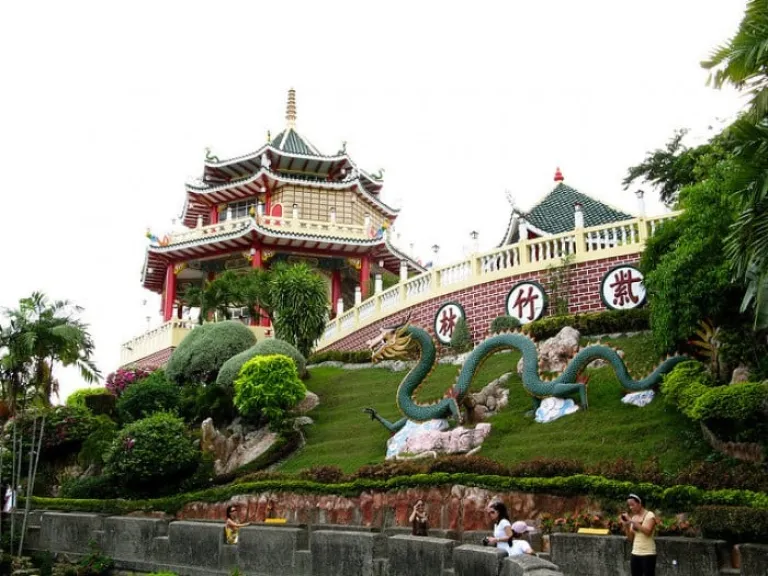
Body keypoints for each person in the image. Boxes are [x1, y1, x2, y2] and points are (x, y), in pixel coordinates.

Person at [620, 493, 657, 576]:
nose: (630, 507)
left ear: (640, 503)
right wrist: (626, 526)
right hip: (635, 553)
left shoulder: (650, 515)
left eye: (632, 504)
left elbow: (648, 532)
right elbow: (631, 538)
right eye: (629, 505)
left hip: (648, 553)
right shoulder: (634, 517)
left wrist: (631, 521)